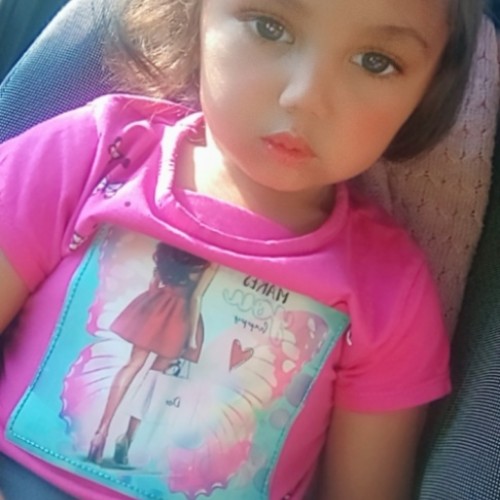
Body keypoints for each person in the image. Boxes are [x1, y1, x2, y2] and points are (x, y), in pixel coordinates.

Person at [0, 0, 483, 499]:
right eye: (269, 27)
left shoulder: (387, 289)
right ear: (194, 17)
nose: (305, 97)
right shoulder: (93, 155)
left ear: (428, 94)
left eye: (375, 62)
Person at [87, 242, 215, 464]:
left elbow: (154, 283)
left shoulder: (169, 247)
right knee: (154, 379)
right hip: (181, 318)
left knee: (133, 364)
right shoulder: (208, 260)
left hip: (157, 306)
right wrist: (192, 337)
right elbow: (195, 298)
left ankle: (101, 432)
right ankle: (127, 439)